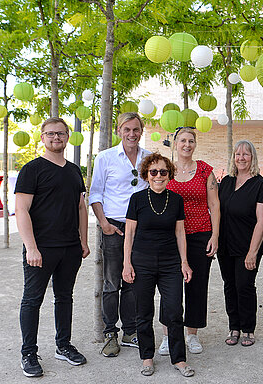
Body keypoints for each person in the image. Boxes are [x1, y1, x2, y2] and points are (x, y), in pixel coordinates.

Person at [15, 117, 90, 377]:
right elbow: (21, 209)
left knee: (64, 297)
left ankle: (63, 345)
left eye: (60, 133)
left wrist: (83, 240)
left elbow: (81, 206)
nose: (55, 138)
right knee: (32, 300)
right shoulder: (32, 169)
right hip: (41, 248)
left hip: (70, 248)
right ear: (43, 137)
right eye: (50, 134)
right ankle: (28, 353)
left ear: (67, 137)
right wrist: (31, 247)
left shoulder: (73, 170)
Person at [122, 153, 194, 377]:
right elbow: (129, 234)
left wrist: (184, 262)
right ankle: (147, 357)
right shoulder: (137, 199)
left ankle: (179, 359)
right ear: (146, 175)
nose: (158, 176)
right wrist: (126, 263)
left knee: (174, 310)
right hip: (142, 262)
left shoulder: (176, 200)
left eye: (163, 172)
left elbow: (180, 232)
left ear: (169, 174)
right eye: (153, 172)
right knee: (143, 312)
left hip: (170, 263)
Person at [89, 112, 151, 357]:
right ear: (118, 131)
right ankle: (110, 334)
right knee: (112, 282)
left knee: (133, 282)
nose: (132, 134)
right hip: (114, 227)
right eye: (127, 129)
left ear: (141, 131)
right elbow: (95, 194)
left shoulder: (149, 158)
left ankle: (130, 331)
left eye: (136, 129)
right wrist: (103, 224)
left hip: (141, 229)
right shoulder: (105, 158)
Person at [157, 127, 220, 355]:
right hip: (169, 237)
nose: (187, 144)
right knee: (169, 288)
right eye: (182, 140)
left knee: (197, 286)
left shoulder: (204, 170)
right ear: (175, 143)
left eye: (191, 141)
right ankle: (168, 335)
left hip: (200, 234)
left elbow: (214, 205)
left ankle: (192, 334)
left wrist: (215, 235)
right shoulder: (164, 169)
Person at [218, 140, 263, 347]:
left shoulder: (260, 185)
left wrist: (252, 252)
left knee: (244, 286)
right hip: (225, 245)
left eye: (246, 154)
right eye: (238, 154)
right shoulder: (226, 181)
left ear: (253, 158)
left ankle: (248, 329)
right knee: (229, 286)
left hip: (248, 246)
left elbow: (262, 221)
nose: (241, 158)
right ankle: (234, 327)